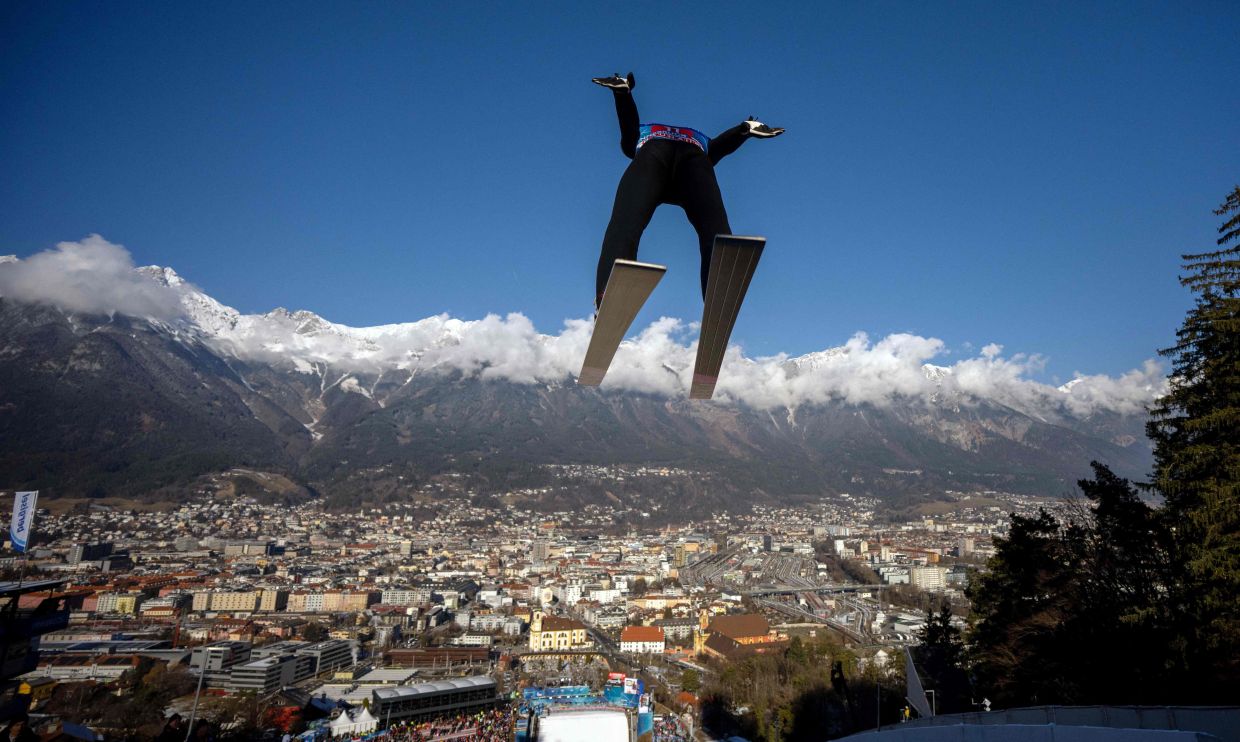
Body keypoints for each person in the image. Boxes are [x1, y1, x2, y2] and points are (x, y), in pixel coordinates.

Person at [593, 71, 783, 310]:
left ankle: (607, 293)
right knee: (715, 233)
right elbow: (719, 148)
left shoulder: (643, 134)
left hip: (652, 154)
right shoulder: (703, 142)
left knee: (624, 226)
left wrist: (623, 94)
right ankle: (719, 298)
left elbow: (629, 131)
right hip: (694, 158)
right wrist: (744, 129)